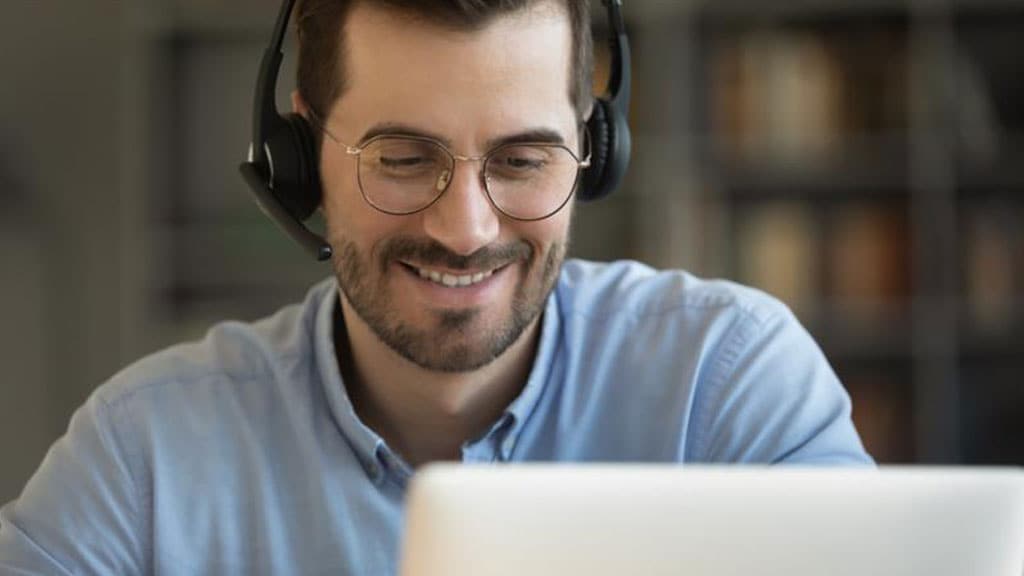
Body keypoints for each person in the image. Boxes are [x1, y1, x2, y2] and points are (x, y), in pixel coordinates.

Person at [0, 0, 872, 573]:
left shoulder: (727, 384)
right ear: (298, 158)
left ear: (593, 151)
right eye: (404, 160)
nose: (466, 229)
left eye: (523, 161)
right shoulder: (145, 456)